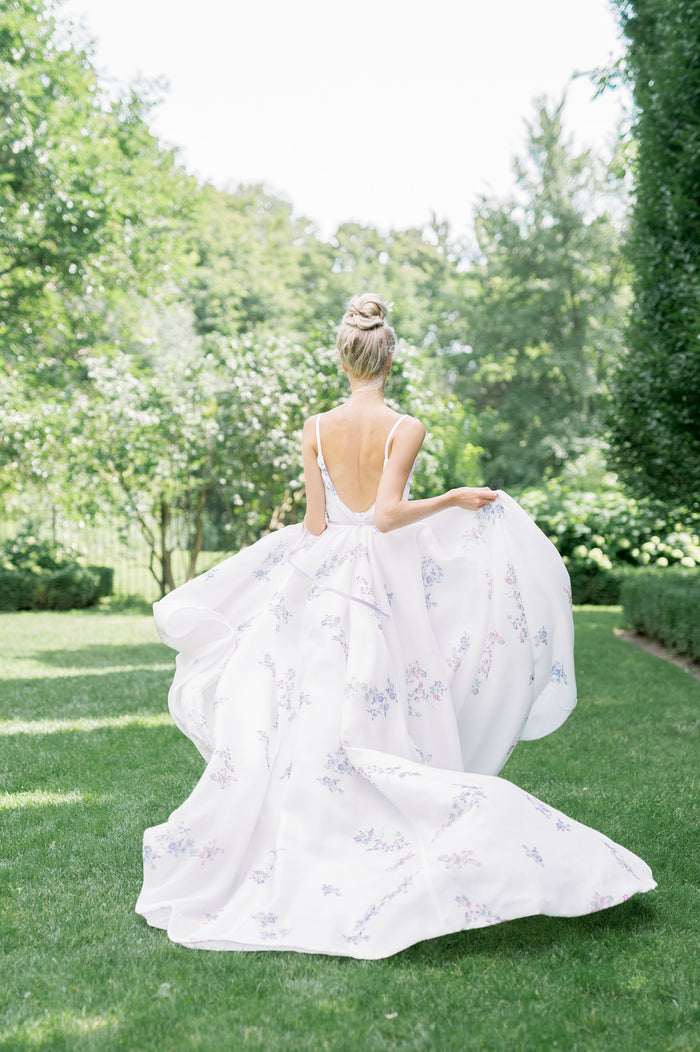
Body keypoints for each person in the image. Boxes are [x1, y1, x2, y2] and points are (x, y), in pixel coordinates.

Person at [136, 293, 655, 958]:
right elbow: (385, 516)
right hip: (378, 582)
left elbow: (318, 524)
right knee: (385, 695)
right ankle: (383, 826)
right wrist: (454, 499)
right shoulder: (404, 426)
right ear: (391, 356)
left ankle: (309, 829)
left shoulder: (316, 425)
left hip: (322, 576)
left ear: (342, 356)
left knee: (308, 704)